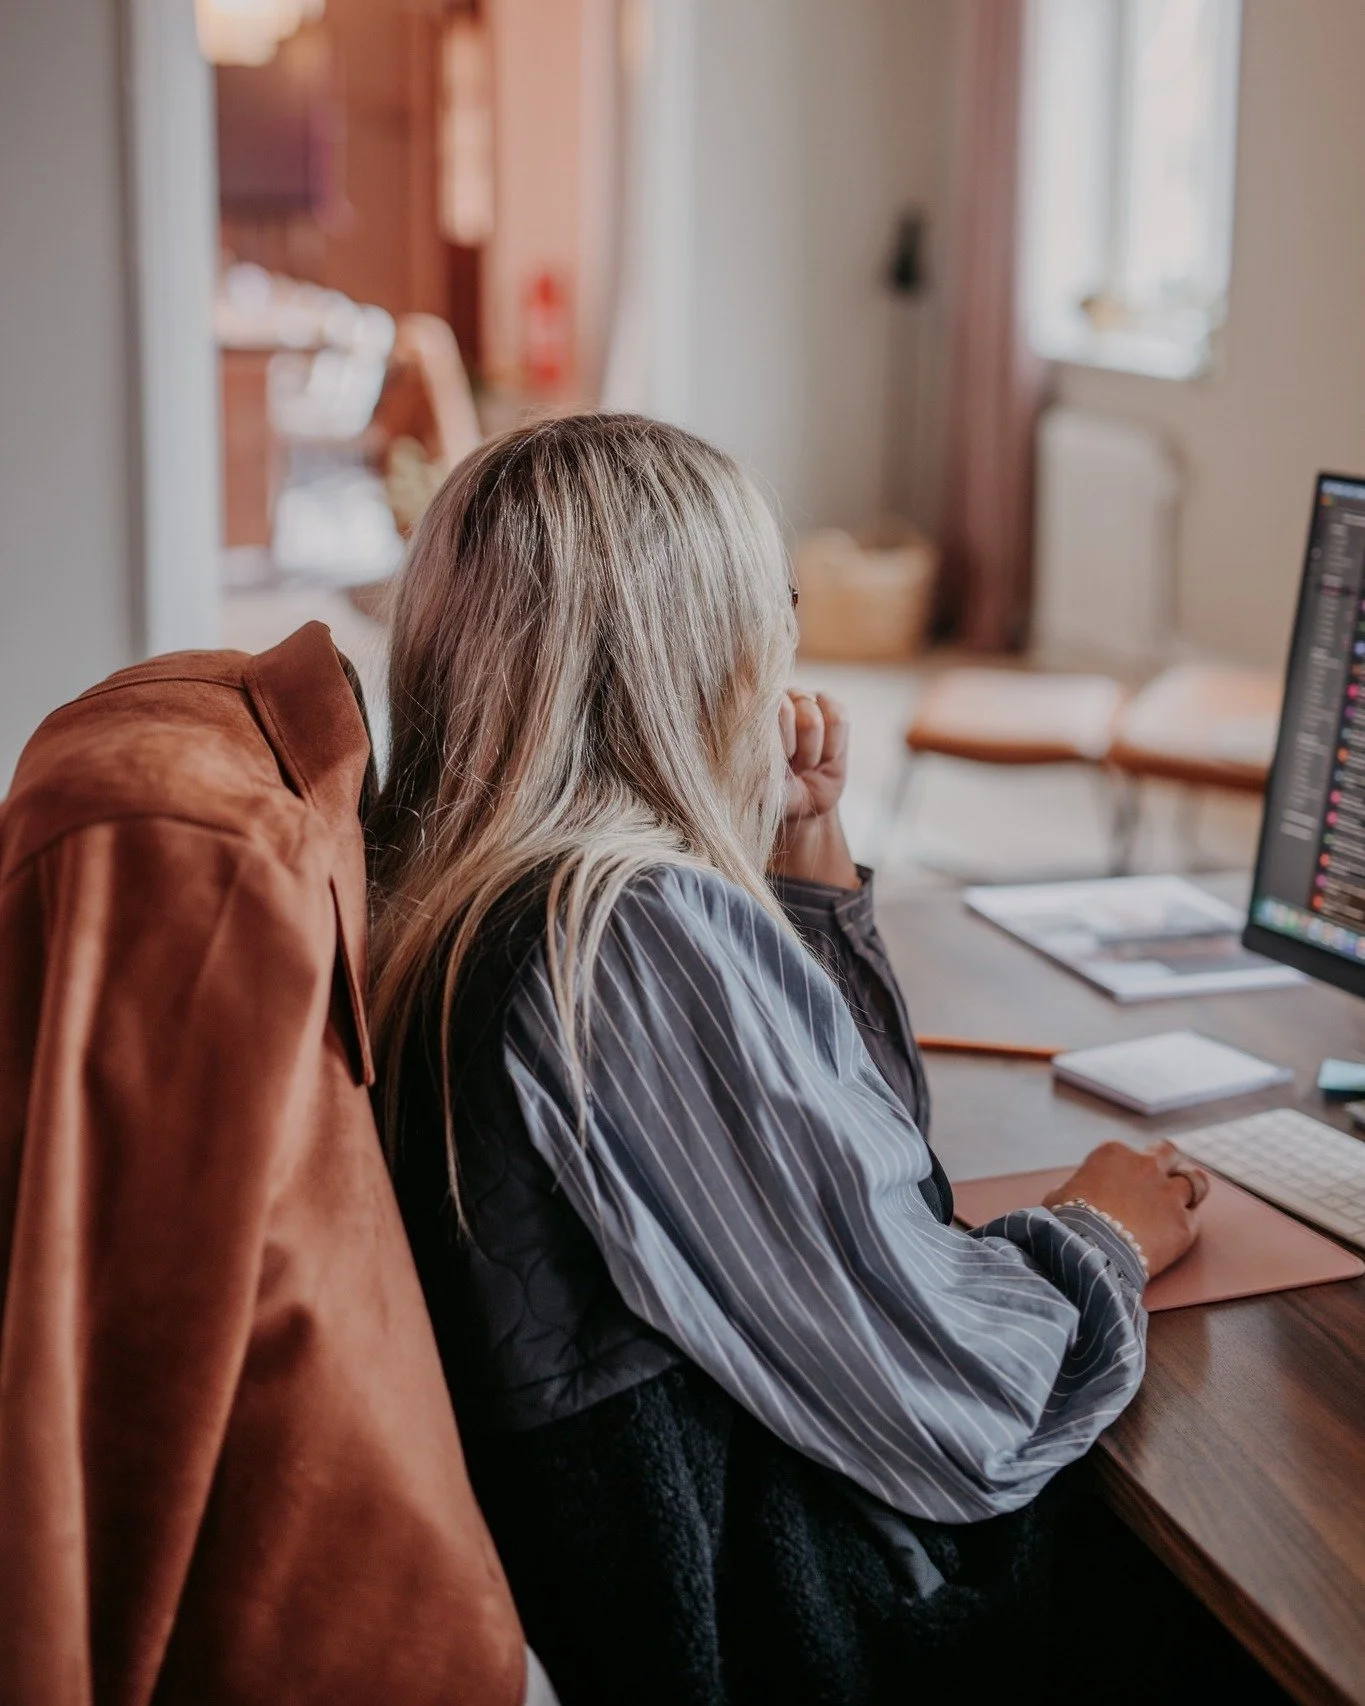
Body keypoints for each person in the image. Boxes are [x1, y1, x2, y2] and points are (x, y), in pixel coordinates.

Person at [366, 413, 1210, 1706]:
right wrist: (1102, 1231)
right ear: (689, 658)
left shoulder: (460, 901)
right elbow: (955, 1397)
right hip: (801, 1623)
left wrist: (801, 880)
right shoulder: (622, 934)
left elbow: (865, 1178)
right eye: (775, 613)